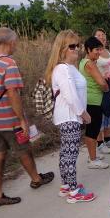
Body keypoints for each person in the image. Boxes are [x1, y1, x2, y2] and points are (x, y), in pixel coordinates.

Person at [0, 27, 54, 209]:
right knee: (24, 149)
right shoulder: (8, 63)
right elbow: (13, 93)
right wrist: (21, 120)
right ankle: (36, 179)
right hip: (10, 120)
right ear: (11, 42)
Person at [44, 30, 95, 204]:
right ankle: (74, 191)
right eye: (71, 46)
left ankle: (66, 186)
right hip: (70, 116)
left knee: (66, 152)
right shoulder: (63, 69)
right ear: (62, 49)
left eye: (77, 45)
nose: (76, 49)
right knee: (70, 154)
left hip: (68, 116)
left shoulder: (68, 68)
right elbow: (70, 95)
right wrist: (83, 113)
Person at [80, 36, 110, 170]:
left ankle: (93, 156)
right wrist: (106, 87)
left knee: (93, 130)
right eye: (96, 50)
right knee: (92, 131)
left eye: (100, 49)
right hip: (93, 102)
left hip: (90, 100)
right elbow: (102, 83)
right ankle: (93, 160)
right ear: (88, 49)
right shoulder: (90, 64)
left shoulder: (83, 62)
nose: (99, 52)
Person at [94, 28, 110, 153]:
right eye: (99, 35)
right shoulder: (95, 53)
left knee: (109, 114)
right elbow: (91, 69)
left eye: (103, 35)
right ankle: (99, 143)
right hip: (101, 88)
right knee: (100, 116)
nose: (102, 37)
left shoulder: (107, 51)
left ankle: (107, 139)